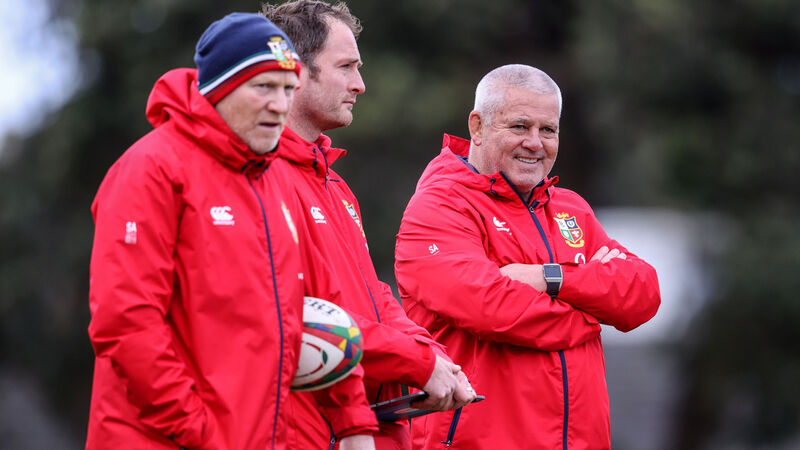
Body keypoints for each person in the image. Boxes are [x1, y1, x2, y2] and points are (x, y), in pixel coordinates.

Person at [85, 12, 378, 450]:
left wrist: (355, 424)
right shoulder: (150, 169)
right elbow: (127, 324)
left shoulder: (272, 178)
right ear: (218, 90)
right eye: (263, 87)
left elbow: (323, 312)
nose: (278, 104)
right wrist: (199, 431)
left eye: (287, 89)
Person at [394, 64, 662, 449]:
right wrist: (594, 310)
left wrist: (551, 279)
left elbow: (643, 294)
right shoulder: (438, 207)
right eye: (520, 126)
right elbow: (492, 308)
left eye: (548, 130)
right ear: (477, 127)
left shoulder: (570, 208)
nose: (535, 143)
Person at [261, 1, 476, 449]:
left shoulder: (334, 184)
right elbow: (304, 317)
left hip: (372, 427)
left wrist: (429, 353)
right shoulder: (261, 181)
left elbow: (374, 296)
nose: (360, 84)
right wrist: (416, 362)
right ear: (295, 70)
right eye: (346, 67)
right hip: (309, 432)